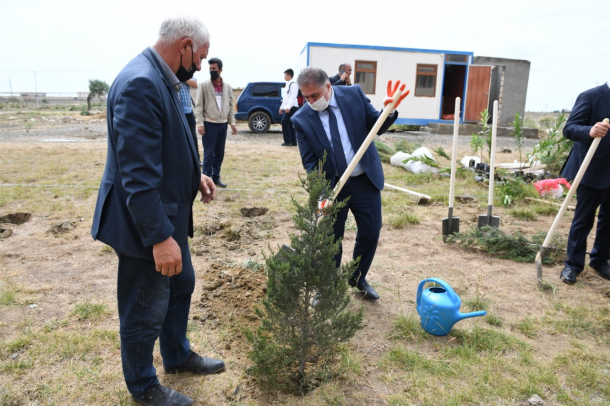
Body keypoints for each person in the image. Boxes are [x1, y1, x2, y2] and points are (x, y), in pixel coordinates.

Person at [91, 16, 224, 406]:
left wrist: (195, 176)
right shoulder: (142, 84)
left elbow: (170, 142)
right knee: (145, 307)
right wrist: (161, 239)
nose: (201, 65)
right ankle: (143, 386)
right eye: (200, 56)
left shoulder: (162, 79)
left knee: (181, 285)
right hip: (144, 225)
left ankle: (177, 354)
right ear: (184, 46)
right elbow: (138, 177)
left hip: (168, 214)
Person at [291, 67, 408, 300]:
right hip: (334, 187)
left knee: (371, 231)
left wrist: (389, 110)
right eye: (306, 97)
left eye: (315, 95)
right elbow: (310, 163)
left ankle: (357, 277)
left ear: (328, 87)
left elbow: (376, 125)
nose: (311, 101)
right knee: (331, 238)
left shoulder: (353, 94)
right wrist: (323, 192)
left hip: (365, 179)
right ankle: (327, 287)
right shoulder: (301, 119)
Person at [559, 80, 610, 284]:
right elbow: (570, 129)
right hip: (592, 169)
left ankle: (599, 260)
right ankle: (573, 265)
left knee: (609, 220)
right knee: (584, 219)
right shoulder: (591, 96)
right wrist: (590, 131)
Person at [194, 57, 237, 188]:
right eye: (210, 69)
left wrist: (232, 123)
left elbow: (230, 107)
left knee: (219, 153)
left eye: (214, 69)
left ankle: (216, 177)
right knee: (208, 154)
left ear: (220, 70)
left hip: (222, 124)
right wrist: (200, 124)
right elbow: (199, 105)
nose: (212, 71)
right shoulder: (204, 85)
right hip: (209, 124)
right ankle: (205, 180)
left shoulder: (228, 87)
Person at [279, 68, 299, 146]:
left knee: (284, 121)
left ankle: (287, 141)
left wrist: (288, 107)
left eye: (285, 75)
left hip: (292, 107)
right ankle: (293, 141)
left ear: (289, 76)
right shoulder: (287, 84)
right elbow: (286, 98)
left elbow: (293, 97)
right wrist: (281, 107)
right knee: (290, 124)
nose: (284, 77)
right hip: (288, 107)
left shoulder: (293, 84)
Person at [179, 78, 198, 149]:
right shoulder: (171, 73)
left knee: (193, 138)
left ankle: (196, 159)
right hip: (177, 112)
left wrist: (181, 76)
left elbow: (195, 84)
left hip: (188, 111)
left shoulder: (185, 74)